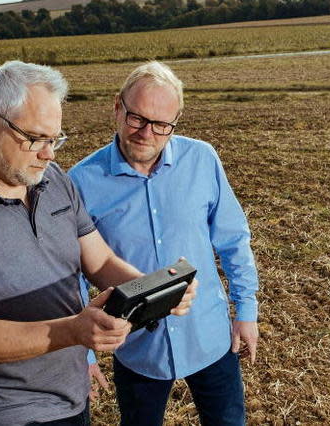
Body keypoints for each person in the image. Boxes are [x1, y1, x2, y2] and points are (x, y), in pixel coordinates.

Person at [0, 60, 196, 426]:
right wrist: (72, 331)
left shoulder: (52, 180)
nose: (49, 153)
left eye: (55, 139)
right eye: (36, 139)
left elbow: (100, 262)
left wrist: (153, 290)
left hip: (71, 396)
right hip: (9, 413)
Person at [69, 61, 259, 425]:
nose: (147, 133)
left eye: (161, 125)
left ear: (176, 121)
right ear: (116, 108)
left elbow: (233, 239)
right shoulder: (81, 181)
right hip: (138, 347)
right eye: (137, 118)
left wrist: (246, 310)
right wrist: (85, 352)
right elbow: (73, 272)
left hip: (209, 335)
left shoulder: (202, 159)